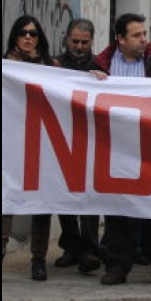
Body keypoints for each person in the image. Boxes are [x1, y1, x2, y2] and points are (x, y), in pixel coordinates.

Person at [92, 12, 151, 285]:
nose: (144, 40)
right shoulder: (100, 66)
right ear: (120, 39)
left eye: (144, 34)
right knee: (117, 209)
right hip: (112, 146)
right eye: (137, 35)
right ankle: (118, 265)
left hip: (148, 145)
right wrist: (90, 80)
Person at [2, 15, 61, 281]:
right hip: (11, 142)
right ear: (14, 36)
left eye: (33, 33)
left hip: (42, 142)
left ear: (40, 38)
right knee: (6, 199)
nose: (28, 37)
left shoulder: (52, 66)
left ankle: (38, 259)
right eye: (23, 33)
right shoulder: (6, 67)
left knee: (41, 200)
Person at [52, 18, 106, 275]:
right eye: (75, 41)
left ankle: (90, 248)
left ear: (92, 42)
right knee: (63, 194)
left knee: (89, 196)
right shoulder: (54, 65)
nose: (80, 46)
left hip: (89, 138)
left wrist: (103, 79)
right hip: (60, 137)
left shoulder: (100, 66)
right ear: (67, 39)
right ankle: (72, 245)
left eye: (85, 42)